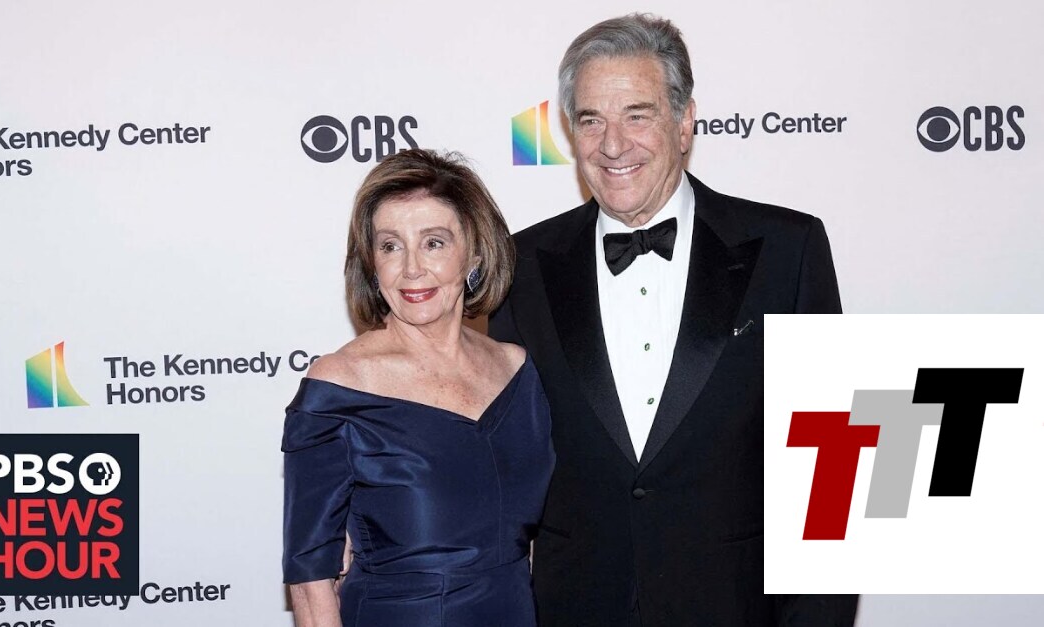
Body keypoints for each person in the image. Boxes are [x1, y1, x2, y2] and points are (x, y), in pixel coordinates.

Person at [489, 13, 858, 627]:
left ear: (685, 122)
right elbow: (498, 464)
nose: (613, 144)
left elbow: (833, 477)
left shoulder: (787, 249)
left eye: (637, 115)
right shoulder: (519, 267)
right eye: (591, 120)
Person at [282, 148, 554, 627]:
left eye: (433, 243)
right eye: (390, 246)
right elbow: (310, 581)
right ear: (371, 264)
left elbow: (533, 539)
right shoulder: (340, 386)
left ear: (474, 253)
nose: (411, 268)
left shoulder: (517, 369)